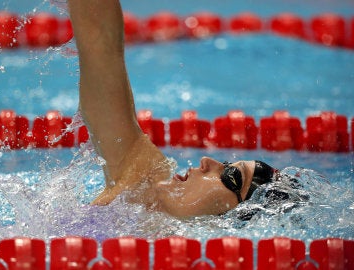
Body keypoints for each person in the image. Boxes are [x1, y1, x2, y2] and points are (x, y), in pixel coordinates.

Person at [67, 0, 279, 218]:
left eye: (232, 176)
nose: (207, 161)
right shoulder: (140, 182)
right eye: (226, 165)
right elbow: (100, 46)